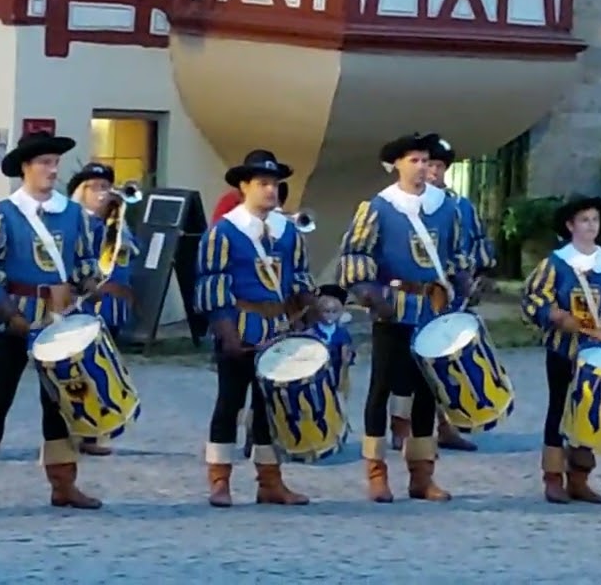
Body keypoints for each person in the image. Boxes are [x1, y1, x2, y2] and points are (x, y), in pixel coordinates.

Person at [0, 132, 103, 512]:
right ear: (26, 167)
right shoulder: (4, 212)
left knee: (59, 400)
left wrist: (89, 281)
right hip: (17, 316)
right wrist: (6, 313)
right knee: (0, 399)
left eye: (55, 163)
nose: (52, 170)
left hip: (58, 318)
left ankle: (63, 484)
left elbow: (85, 259)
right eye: (44, 163)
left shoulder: (73, 214)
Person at [337, 132, 472, 504]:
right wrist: (369, 293)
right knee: (381, 387)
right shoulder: (379, 206)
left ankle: (421, 475)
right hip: (394, 306)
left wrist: (461, 278)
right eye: (414, 161)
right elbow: (356, 253)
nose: (422, 168)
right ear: (396, 165)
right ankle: (376, 473)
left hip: (432, 308)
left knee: (428, 391)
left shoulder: (446, 207)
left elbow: (459, 250)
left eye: (426, 161)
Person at [196, 149, 316, 508]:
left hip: (279, 326)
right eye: (262, 184)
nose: (270, 191)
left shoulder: (288, 232)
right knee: (229, 402)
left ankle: (270, 481)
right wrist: (225, 329)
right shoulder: (225, 231)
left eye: (275, 184)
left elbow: (299, 276)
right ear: (244, 187)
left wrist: (310, 307)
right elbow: (211, 282)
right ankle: (220, 481)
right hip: (241, 325)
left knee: (270, 406)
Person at [521, 195, 601, 505]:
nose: (591, 226)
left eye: (595, 220)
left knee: (590, 410)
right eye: (584, 220)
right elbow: (533, 298)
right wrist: (556, 316)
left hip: (597, 351)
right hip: (564, 350)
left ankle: (579, 478)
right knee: (560, 409)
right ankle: (552, 477)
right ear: (570, 226)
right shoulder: (556, 264)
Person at [384, 134, 494, 452]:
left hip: (449, 295)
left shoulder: (458, 205)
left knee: (444, 362)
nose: (431, 171)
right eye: (426, 163)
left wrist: (477, 275)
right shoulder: (404, 204)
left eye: (437, 165)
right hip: (415, 294)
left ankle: (446, 425)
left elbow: (477, 243)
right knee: (407, 363)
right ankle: (401, 425)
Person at [67, 161, 143, 457]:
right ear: (81, 192)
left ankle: (98, 428)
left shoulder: (117, 223)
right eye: (95, 188)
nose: (102, 194)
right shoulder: (77, 222)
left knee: (107, 369)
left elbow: (129, 252)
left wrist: (116, 217)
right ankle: (79, 430)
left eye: (105, 187)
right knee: (83, 370)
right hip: (86, 303)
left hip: (113, 304)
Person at [309, 284, 355, 397]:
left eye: (334, 312)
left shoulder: (342, 333)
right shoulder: (312, 332)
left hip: (338, 373)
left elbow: (346, 356)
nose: (330, 316)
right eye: (326, 311)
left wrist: (346, 360)